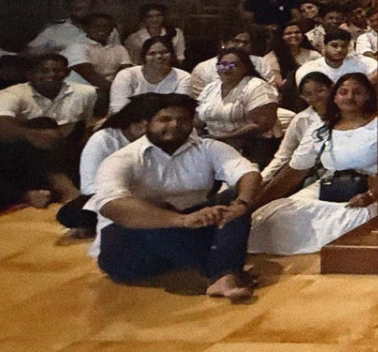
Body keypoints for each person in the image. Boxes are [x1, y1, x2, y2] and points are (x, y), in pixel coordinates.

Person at [88, 94, 260, 300]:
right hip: (128, 248)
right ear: (146, 124)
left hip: (187, 230)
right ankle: (224, 270)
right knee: (151, 212)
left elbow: (248, 173)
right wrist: (181, 220)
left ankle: (223, 275)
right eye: (165, 119)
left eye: (182, 120)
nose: (175, 125)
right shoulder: (122, 159)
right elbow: (112, 206)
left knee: (234, 200)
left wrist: (241, 204)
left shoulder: (209, 148)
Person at [246, 74, 378, 254]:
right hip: (330, 185)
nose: (350, 97)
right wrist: (253, 205)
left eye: (357, 92)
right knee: (272, 216)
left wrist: (372, 194)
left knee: (352, 220)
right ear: (335, 97)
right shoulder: (321, 129)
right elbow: (294, 171)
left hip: (371, 189)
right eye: (343, 92)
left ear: (368, 96)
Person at [0, 53, 94, 206]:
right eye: (44, 71)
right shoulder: (8, 94)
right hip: (15, 154)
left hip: (63, 147)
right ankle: (65, 190)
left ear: (67, 73)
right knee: (43, 125)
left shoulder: (86, 93)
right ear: (30, 74)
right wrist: (35, 136)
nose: (51, 74)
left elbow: (84, 126)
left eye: (57, 70)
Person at [60, 94, 167, 236]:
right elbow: (89, 187)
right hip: (118, 198)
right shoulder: (103, 140)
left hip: (160, 195)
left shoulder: (167, 138)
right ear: (140, 125)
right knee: (72, 213)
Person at [195, 50, 278, 156]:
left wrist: (223, 139)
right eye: (222, 65)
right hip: (213, 146)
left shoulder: (256, 86)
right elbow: (197, 120)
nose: (227, 69)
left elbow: (262, 124)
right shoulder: (211, 88)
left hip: (251, 148)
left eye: (233, 65)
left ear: (245, 67)